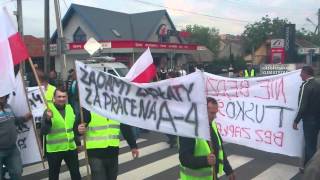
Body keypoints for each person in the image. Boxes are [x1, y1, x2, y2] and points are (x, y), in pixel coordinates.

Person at [179, 97, 235, 180]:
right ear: (202, 111)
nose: (215, 116)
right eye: (212, 113)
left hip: (212, 176)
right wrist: (205, 161)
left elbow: (219, 150)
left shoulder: (211, 124)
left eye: (215, 113)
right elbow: (184, 158)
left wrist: (228, 170)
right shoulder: (190, 130)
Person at [78, 110, 139, 180]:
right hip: (95, 154)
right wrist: (79, 129)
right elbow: (77, 126)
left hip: (113, 153)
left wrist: (133, 146)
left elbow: (125, 127)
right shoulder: (89, 108)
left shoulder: (117, 108)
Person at [41, 88, 81, 180]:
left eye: (64, 96)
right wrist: (47, 119)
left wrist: (78, 143)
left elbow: (73, 128)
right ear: (54, 98)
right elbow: (43, 131)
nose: (62, 99)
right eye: (59, 96)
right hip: (54, 150)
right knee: (54, 175)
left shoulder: (70, 108)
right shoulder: (48, 110)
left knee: (76, 173)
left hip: (70, 148)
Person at [292, 65, 320, 170]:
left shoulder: (306, 85)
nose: (300, 75)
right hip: (318, 118)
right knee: (312, 144)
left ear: (305, 74)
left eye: (301, 73)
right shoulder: (318, 84)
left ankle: (310, 168)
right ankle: (308, 165)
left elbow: (302, 105)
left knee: (310, 145)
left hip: (309, 120)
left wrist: (296, 120)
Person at [0, 94, 32, 179]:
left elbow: (14, 121)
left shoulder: (8, 107)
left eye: (3, 95)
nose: (2, 96)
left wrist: (25, 118)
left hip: (12, 149)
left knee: (17, 172)